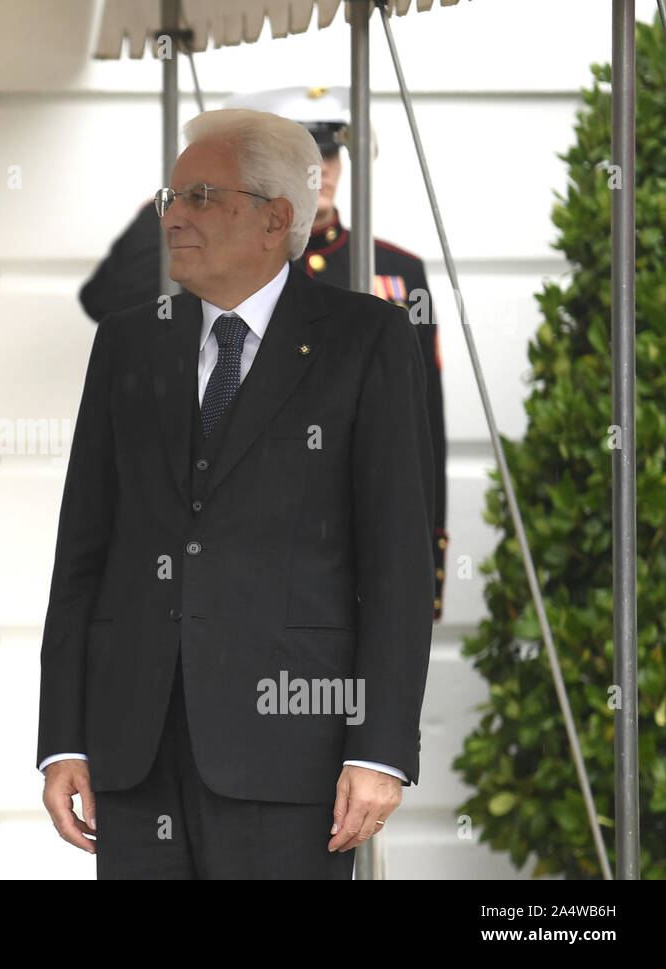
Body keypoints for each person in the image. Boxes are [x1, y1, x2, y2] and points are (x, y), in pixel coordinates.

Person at [39, 108, 435, 878]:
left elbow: (397, 565)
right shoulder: (129, 339)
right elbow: (82, 553)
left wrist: (381, 748)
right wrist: (64, 737)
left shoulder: (367, 339)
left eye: (199, 197)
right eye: (170, 197)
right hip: (133, 751)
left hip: (292, 754)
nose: (172, 217)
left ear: (273, 219)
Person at [80, 86, 448, 619]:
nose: (319, 171)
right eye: (301, 160)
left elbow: (422, 426)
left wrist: (427, 549)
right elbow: (106, 296)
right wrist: (185, 199)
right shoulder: (228, 256)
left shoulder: (395, 271)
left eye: (328, 154)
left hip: (326, 564)